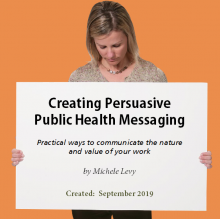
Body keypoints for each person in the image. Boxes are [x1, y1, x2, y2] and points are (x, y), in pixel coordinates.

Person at [12, 1, 212, 219]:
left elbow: (170, 134)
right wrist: (31, 155)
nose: (110, 54)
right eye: (102, 46)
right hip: (87, 188)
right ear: (92, 42)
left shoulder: (153, 76)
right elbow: (65, 134)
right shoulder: (79, 78)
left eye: (116, 45)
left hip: (137, 188)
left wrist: (194, 157)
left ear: (129, 37)